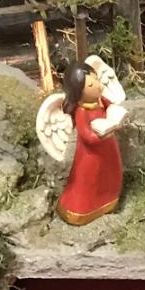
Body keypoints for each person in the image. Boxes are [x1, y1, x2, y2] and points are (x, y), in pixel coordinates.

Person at [55, 55, 127, 225]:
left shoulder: (101, 101)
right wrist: (100, 134)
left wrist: (117, 116)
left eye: (96, 79)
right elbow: (86, 135)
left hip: (109, 148)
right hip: (92, 155)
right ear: (78, 91)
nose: (99, 85)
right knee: (89, 180)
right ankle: (81, 209)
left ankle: (108, 200)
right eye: (91, 85)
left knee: (111, 174)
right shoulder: (82, 112)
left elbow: (111, 108)